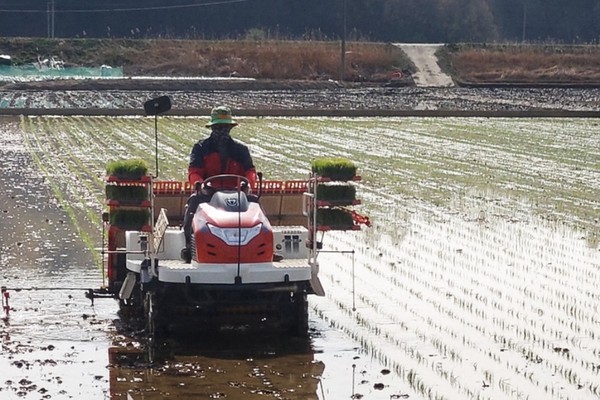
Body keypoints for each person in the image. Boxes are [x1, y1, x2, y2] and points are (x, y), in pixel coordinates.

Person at [181, 105, 257, 262]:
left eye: (225, 127)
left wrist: (249, 183)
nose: (222, 130)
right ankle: (189, 245)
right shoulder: (201, 148)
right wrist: (199, 185)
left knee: (256, 204)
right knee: (192, 205)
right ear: (212, 128)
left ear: (230, 128)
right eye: (219, 127)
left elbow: (250, 171)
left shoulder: (240, 150)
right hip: (208, 193)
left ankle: (258, 247)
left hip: (236, 193)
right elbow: (194, 172)